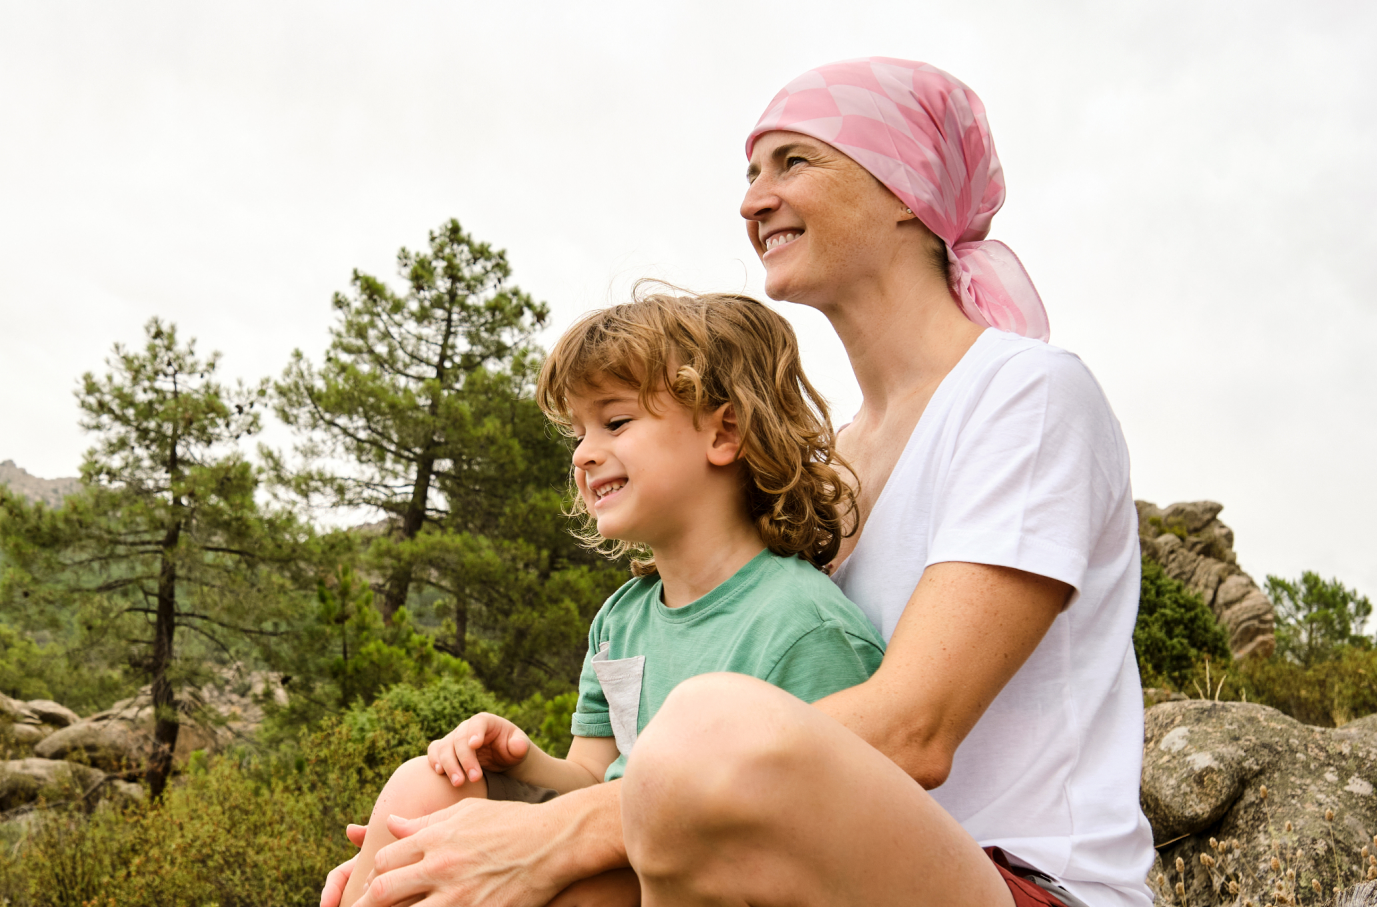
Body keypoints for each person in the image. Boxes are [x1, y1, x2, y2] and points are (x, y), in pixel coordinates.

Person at [326, 57, 1150, 907]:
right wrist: (421, 856)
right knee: (431, 801)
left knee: (706, 720)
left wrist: (553, 831)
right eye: (751, 172)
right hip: (798, 864)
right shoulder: (835, 460)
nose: (754, 199)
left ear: (908, 190)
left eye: (794, 161)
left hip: (1019, 881)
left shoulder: (1027, 395)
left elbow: (914, 730)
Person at [336, 289, 887, 907]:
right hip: (615, 840)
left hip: (712, 877)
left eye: (615, 421)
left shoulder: (803, 628)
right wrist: (523, 762)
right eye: (577, 433)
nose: (582, 453)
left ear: (724, 431)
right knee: (427, 784)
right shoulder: (621, 619)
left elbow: (835, 837)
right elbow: (593, 781)